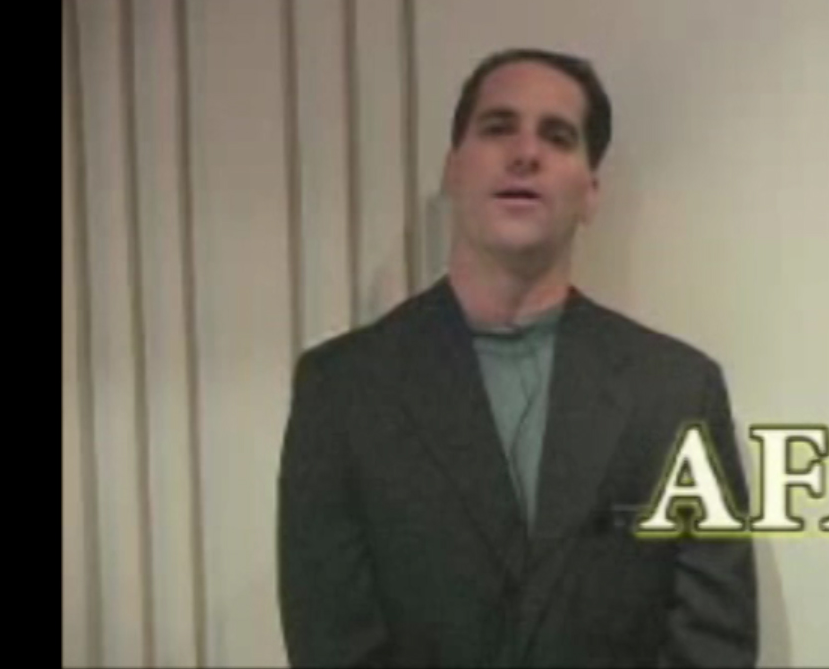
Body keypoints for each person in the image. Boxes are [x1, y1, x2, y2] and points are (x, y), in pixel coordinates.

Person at [278, 48, 758, 667]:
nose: (525, 152)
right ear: (453, 170)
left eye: (557, 137)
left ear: (590, 192)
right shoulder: (341, 389)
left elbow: (715, 642)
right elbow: (331, 643)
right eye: (498, 127)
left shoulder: (677, 393)